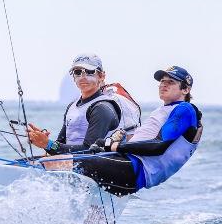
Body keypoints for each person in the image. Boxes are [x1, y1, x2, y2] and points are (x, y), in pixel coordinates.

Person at [65, 66, 201, 196]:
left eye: (170, 82)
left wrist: (116, 146)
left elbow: (158, 146)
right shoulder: (163, 110)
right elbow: (141, 140)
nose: (163, 85)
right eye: (162, 81)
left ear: (185, 89)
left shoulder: (185, 109)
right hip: (127, 163)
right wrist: (115, 140)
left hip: (136, 170)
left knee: (65, 163)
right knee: (74, 157)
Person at [28, 54, 136, 155]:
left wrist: (48, 144)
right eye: (78, 72)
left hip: (96, 167)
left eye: (89, 72)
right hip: (71, 165)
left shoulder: (102, 108)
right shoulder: (72, 106)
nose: (83, 77)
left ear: (101, 76)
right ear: (74, 77)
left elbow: (90, 150)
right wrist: (42, 139)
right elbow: (60, 143)